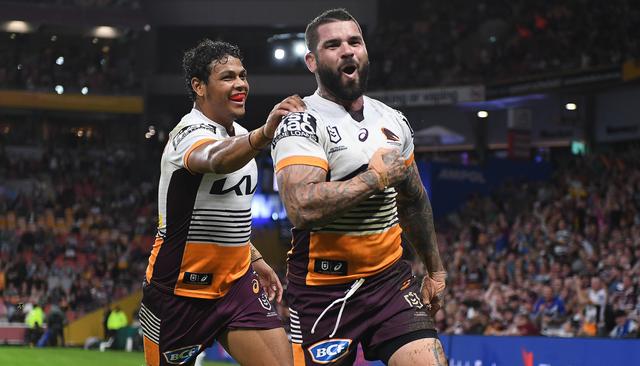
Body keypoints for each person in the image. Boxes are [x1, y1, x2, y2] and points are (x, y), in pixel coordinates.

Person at [271, 9, 447, 366]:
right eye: (333, 45)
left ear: (366, 51)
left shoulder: (393, 120)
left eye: (355, 41)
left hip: (389, 283)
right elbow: (301, 205)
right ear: (312, 61)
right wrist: (374, 178)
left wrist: (435, 269)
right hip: (323, 291)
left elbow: (413, 201)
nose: (347, 50)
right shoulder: (301, 121)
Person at [140, 39, 304, 366]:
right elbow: (214, 158)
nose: (241, 83)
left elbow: (231, 213)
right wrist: (263, 135)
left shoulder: (241, 136)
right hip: (179, 292)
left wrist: (255, 257)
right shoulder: (187, 133)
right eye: (227, 77)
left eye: (243, 75)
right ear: (199, 86)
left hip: (236, 287)